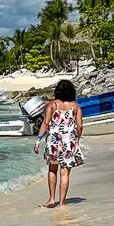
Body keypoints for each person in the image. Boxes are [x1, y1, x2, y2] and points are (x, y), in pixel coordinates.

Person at [34, 79, 85, 207]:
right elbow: (79, 126)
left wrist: (38, 140)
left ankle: (51, 199)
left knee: (52, 169)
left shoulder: (53, 105)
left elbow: (45, 123)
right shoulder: (75, 107)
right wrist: (77, 140)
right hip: (68, 141)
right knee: (65, 172)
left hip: (53, 141)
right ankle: (62, 203)